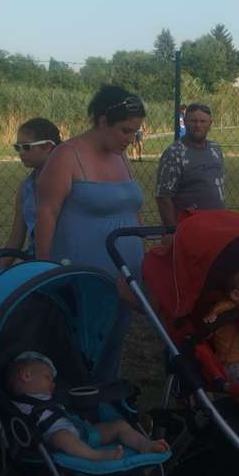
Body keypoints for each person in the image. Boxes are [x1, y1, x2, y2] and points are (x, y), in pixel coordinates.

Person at [34, 85, 146, 382]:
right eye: (125, 131)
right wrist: (43, 270)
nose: (130, 138)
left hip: (125, 275)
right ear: (102, 121)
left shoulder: (120, 156)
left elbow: (131, 209)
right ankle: (76, 403)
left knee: (112, 347)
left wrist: (143, 258)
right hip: (83, 278)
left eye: (135, 132)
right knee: (80, 352)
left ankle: (106, 401)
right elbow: (46, 213)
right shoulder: (67, 155)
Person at [7, 352, 168, 460]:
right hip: (54, 440)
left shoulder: (51, 398)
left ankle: (144, 444)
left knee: (119, 425)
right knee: (62, 437)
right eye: (48, 377)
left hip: (81, 432)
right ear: (26, 375)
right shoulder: (18, 405)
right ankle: (97, 456)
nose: (54, 384)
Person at [1, 118, 61, 265]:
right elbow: (17, 235)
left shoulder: (68, 183)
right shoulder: (26, 187)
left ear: (48, 146)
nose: (21, 153)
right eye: (18, 147)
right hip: (35, 259)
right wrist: (1, 269)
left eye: (26, 147)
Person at [155, 103, 225, 228]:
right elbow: (163, 197)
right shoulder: (174, 153)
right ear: (185, 122)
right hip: (190, 227)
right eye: (193, 121)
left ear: (210, 124)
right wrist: (171, 230)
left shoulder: (215, 149)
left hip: (217, 223)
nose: (198, 125)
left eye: (202, 121)